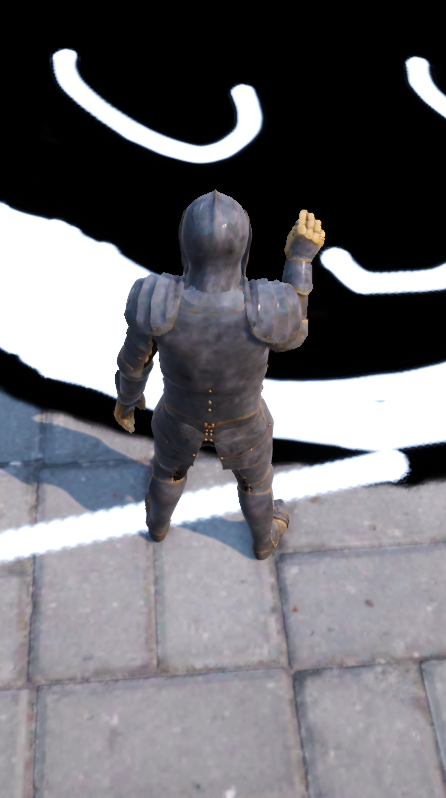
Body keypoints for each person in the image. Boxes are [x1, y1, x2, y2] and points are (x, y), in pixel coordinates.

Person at [113, 192, 325, 559]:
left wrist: (126, 402)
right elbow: (294, 335)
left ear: (185, 243)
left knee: (167, 472)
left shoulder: (155, 297)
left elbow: (134, 362)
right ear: (244, 245)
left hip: (179, 419)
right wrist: (300, 261)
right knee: (256, 483)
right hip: (244, 425)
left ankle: (157, 527)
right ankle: (264, 541)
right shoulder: (266, 302)